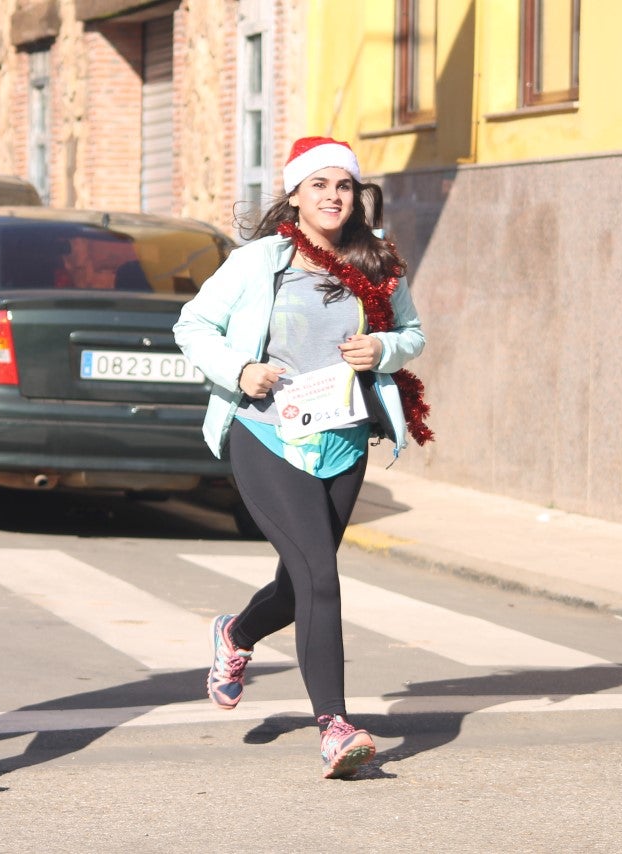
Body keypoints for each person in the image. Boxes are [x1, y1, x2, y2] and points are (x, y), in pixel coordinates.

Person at [174, 136, 432, 779]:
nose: (332, 197)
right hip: (266, 434)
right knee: (320, 575)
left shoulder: (377, 262)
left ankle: (235, 636)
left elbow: (413, 334)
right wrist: (240, 369)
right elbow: (193, 325)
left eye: (342, 186)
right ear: (295, 195)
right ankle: (335, 725)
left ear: (356, 195)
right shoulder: (263, 259)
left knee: (301, 581)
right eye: (318, 185)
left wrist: (383, 350)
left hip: (343, 437)